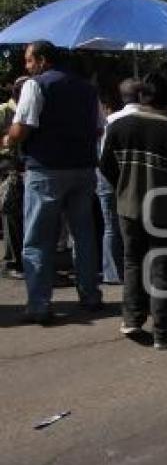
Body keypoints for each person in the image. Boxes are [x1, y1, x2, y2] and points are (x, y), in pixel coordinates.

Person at [4, 41, 103, 324]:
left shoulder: (37, 86)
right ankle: (90, 294)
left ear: (43, 60)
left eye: (28, 60)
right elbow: (99, 128)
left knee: (37, 238)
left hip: (46, 169)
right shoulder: (88, 89)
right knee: (83, 235)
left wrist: (9, 138)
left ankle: (38, 304)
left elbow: (23, 126)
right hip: (83, 169)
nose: (26, 66)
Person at [100, 74, 167, 349]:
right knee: (164, 266)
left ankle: (131, 319)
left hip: (128, 206)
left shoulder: (120, 125)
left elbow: (105, 165)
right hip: (164, 209)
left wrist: (124, 186)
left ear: (142, 97)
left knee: (133, 262)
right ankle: (164, 332)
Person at [97, 78, 142, 285]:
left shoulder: (111, 119)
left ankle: (113, 272)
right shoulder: (149, 118)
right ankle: (136, 267)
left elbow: (104, 155)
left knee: (111, 226)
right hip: (136, 177)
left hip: (109, 177)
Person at [0, 76, 28, 280]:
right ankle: (13, 261)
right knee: (11, 215)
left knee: (27, 217)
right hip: (8, 169)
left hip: (29, 169)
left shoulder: (32, 111)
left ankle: (25, 259)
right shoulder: (4, 111)